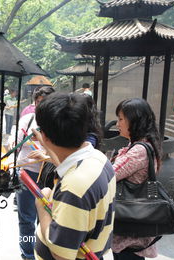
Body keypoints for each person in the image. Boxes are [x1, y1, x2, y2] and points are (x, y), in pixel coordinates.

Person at [32, 92, 115, 260]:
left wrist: (42, 206)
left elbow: (60, 254)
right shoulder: (98, 159)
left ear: (45, 136)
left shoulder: (75, 186)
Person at [7, 86, 55, 260]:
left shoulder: (58, 121)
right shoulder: (28, 119)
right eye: (38, 103)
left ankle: (43, 253)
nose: (41, 107)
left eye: (45, 103)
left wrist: (42, 143)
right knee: (26, 218)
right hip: (27, 173)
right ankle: (28, 255)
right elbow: (17, 139)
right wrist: (13, 142)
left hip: (49, 174)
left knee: (47, 218)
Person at [111, 98, 162, 260]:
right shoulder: (145, 144)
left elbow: (109, 174)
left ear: (134, 121)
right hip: (134, 225)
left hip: (129, 232)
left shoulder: (138, 151)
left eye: (120, 119)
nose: (117, 124)